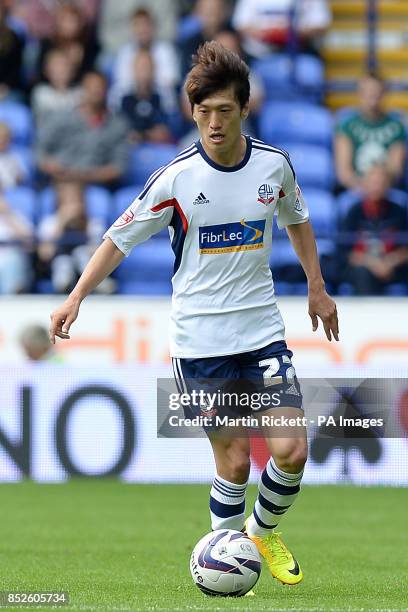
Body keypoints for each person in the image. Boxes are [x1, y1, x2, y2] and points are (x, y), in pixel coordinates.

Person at [49, 42, 338, 589]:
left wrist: (317, 288)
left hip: (262, 333)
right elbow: (118, 240)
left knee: (293, 450)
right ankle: (223, 569)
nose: (212, 123)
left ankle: (258, 534)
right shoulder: (176, 179)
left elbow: (298, 219)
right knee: (232, 464)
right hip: (200, 341)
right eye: (202, 112)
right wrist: (76, 296)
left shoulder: (274, 167)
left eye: (223, 111)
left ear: (243, 110)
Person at [36, 71, 128, 187]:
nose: (95, 92)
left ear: (107, 91)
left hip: (96, 185)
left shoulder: (117, 125)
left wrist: (81, 176)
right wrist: (50, 165)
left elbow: (118, 168)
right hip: (60, 181)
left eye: (99, 88)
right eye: (91, 88)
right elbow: (39, 151)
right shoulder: (61, 118)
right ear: (82, 90)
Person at [340, 164, 408, 295]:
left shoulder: (398, 212)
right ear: (365, 184)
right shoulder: (354, 212)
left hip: (392, 266)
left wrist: (391, 261)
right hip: (364, 265)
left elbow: (405, 248)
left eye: (382, 182)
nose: (378, 186)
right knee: (362, 273)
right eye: (374, 182)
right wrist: (373, 263)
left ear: (389, 185)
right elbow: (345, 252)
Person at [335, 72, 406, 191]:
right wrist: (366, 189)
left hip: (386, 190)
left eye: (377, 93)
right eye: (368, 93)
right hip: (356, 190)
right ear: (359, 94)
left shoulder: (396, 127)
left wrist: (378, 187)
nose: (373, 99)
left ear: (384, 94)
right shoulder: (346, 125)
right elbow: (344, 172)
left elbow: (396, 169)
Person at [109, 7, 179, 109]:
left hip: (159, 100)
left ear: (153, 27)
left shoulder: (166, 50)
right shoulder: (124, 52)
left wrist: (146, 79)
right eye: (138, 25)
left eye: (146, 24)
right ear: (132, 28)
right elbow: (122, 83)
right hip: (131, 99)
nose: (142, 30)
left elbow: (169, 82)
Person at [232, 0, 331, 59]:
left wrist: (292, 34)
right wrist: (267, 34)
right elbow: (241, 24)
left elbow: (321, 24)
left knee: (310, 74)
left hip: (301, 53)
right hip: (260, 55)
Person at [120, 48, 173, 144]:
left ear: (154, 69)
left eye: (147, 67)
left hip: (158, 147)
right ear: (133, 69)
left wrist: (143, 135)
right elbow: (121, 130)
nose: (144, 72)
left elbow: (166, 131)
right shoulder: (123, 97)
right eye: (140, 68)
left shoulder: (163, 96)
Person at [31, 49, 82, 124]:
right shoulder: (41, 93)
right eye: (56, 66)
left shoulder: (80, 93)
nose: (61, 70)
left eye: (65, 66)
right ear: (46, 70)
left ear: (73, 70)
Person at [0, 121, 27, 188]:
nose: (2, 141)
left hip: (12, 190)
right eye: (0, 138)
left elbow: (22, 176)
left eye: (5, 138)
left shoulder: (15, 156)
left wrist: (18, 178)